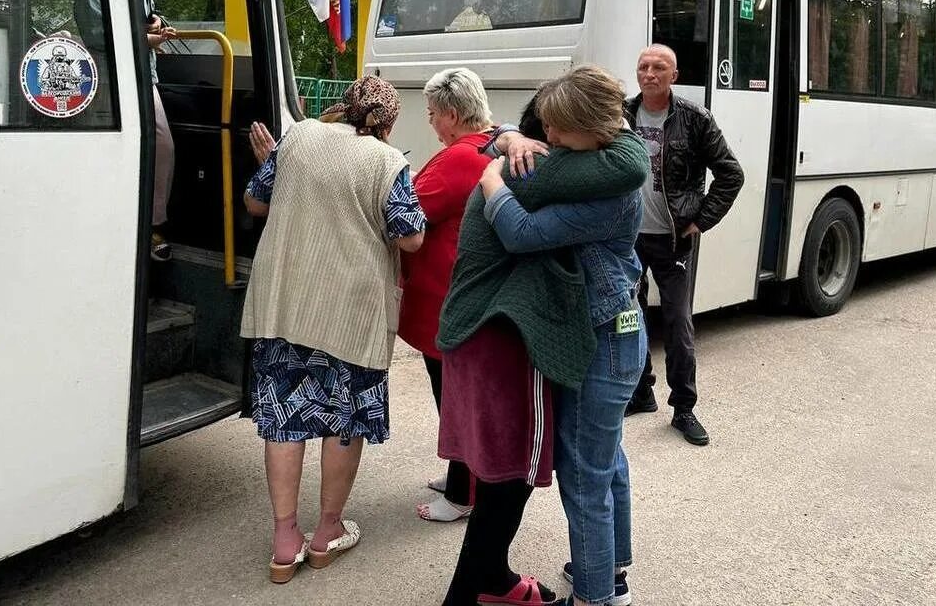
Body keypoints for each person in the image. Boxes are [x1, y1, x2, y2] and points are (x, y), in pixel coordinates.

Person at [435, 68, 648, 606]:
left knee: (584, 477)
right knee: (607, 461)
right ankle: (612, 572)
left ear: (589, 129)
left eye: (557, 130)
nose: (548, 140)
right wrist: (505, 137)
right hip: (612, 331)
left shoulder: (611, 186)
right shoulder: (601, 155)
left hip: (606, 336)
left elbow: (524, 232)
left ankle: (597, 594)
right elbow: (512, 139)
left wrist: (493, 179)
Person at [239, 77, 426, 585]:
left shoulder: (296, 137)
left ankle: (283, 542)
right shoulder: (388, 162)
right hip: (351, 311)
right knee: (343, 418)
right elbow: (409, 238)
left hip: (287, 302)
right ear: (387, 123)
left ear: (341, 107)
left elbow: (256, 203)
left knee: (285, 416)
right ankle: (325, 533)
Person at [399, 68, 526, 523]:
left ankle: (462, 492)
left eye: (433, 114)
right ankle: (462, 478)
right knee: (455, 397)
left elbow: (409, 210)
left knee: (454, 401)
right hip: (463, 298)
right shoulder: (488, 144)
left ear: (452, 114)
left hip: (448, 301)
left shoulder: (458, 158)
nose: (431, 122)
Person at [624, 44, 743, 446]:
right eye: (643, 66)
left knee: (677, 323)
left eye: (659, 67)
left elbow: (731, 174)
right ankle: (641, 393)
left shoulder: (694, 119)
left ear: (673, 75)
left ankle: (684, 408)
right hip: (628, 238)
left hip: (674, 240)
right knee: (631, 319)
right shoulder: (620, 114)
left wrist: (701, 220)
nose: (650, 73)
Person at [74, 0, 176, 261]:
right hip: (109, 80)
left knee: (161, 145)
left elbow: (149, 14)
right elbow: (94, 33)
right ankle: (109, 226)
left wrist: (159, 24)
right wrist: (142, 40)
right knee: (111, 150)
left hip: (145, 76)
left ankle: (152, 225)